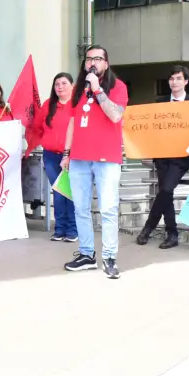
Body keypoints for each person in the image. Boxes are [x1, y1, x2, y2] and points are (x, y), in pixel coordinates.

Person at [60, 45, 128, 279]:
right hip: (79, 157)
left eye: (98, 58)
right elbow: (72, 122)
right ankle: (87, 254)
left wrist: (98, 91)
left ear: (106, 64)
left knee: (108, 209)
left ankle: (109, 256)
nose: (93, 62)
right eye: (89, 58)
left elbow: (116, 115)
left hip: (106, 159)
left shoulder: (118, 87)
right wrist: (66, 153)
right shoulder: (78, 89)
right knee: (81, 208)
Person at [136, 65, 189, 249]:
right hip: (163, 153)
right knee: (165, 192)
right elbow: (152, 129)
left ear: (186, 81)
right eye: (171, 79)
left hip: (182, 155)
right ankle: (171, 233)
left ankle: (148, 228)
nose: (174, 82)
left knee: (166, 189)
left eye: (178, 78)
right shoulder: (159, 103)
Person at [33, 72, 76, 241]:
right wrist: (47, 140)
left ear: (72, 86)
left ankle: (73, 230)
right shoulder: (48, 105)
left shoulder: (78, 105)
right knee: (58, 191)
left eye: (64, 83)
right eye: (57, 84)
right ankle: (60, 229)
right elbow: (37, 126)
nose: (60, 87)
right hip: (51, 156)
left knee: (70, 192)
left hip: (73, 156)